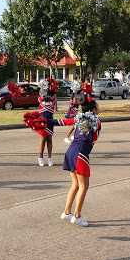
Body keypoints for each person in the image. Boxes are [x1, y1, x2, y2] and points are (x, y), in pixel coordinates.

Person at [50, 96, 101, 227]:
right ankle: (77, 216)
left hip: (70, 151)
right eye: (98, 106)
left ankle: (67, 213)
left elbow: (61, 121)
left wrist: (44, 120)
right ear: (94, 109)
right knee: (84, 186)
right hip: (81, 154)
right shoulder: (97, 121)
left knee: (76, 185)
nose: (99, 108)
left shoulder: (78, 118)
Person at [37, 93, 56, 166]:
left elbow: (54, 99)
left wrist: (51, 91)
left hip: (50, 120)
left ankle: (49, 158)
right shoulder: (41, 97)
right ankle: (41, 157)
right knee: (42, 139)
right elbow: (40, 99)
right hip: (42, 120)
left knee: (49, 139)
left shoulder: (52, 97)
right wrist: (44, 92)